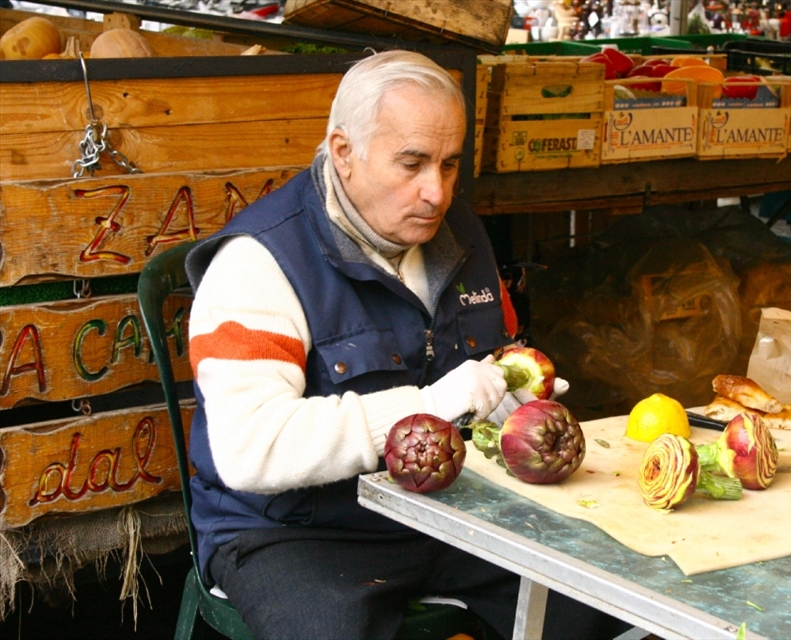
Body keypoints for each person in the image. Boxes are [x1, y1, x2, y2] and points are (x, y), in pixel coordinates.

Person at [184, 50, 627, 640]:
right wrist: (429, 405)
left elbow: (494, 350)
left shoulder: (460, 235)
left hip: (445, 511)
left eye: (449, 165)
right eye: (412, 163)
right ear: (344, 153)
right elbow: (250, 451)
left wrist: (507, 403)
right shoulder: (259, 263)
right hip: (296, 532)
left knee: (604, 603)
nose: (436, 193)